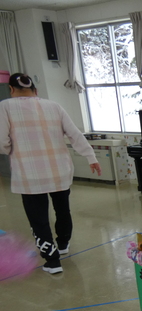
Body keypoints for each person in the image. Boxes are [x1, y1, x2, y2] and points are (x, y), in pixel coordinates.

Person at [0, 73, 102, 275]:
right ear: (35, 90)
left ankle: (52, 261)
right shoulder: (53, 106)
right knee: (62, 210)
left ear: (11, 89)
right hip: (59, 171)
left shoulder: (5, 106)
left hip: (29, 175)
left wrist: (10, 149)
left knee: (38, 219)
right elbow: (74, 134)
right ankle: (63, 244)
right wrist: (91, 156)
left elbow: (2, 141)